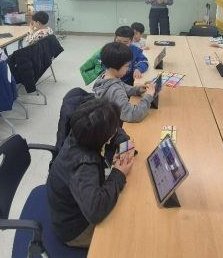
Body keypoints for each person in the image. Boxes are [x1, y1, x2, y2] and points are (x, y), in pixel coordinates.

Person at [47, 98, 135, 248]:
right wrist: (118, 174)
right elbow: (95, 211)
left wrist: (124, 144)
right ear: (102, 137)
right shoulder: (84, 166)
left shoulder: (82, 130)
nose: (116, 129)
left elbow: (113, 128)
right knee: (128, 232)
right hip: (75, 229)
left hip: (78, 201)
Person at [93, 42, 155, 123]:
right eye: (127, 66)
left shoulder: (105, 76)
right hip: (114, 124)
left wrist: (138, 89)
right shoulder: (116, 90)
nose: (128, 69)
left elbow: (123, 87)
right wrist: (148, 97)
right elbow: (133, 115)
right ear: (115, 66)